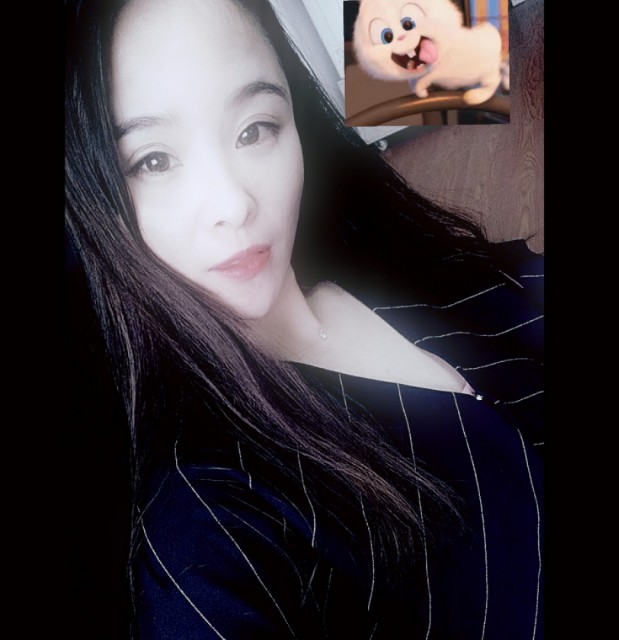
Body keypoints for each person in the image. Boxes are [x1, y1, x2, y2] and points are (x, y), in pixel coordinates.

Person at [65, 0, 544, 638]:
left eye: (255, 129)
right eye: (153, 161)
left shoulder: (395, 261)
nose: (233, 203)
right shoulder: (210, 519)